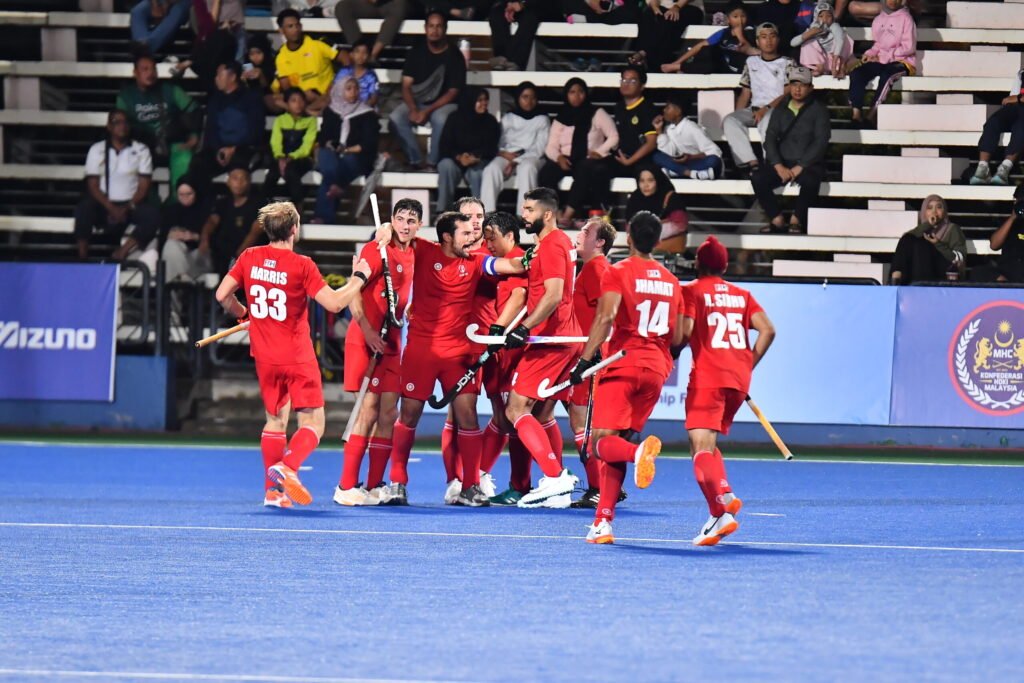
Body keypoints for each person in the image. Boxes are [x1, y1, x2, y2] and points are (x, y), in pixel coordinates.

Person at [214, 201, 372, 508]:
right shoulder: (302, 265)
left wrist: (243, 312)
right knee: (314, 422)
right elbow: (335, 304)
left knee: (275, 419)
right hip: (297, 356)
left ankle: (273, 493)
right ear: (294, 230)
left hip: (264, 356)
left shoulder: (249, 257)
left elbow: (222, 295)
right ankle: (288, 467)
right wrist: (359, 278)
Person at [573, 211, 686, 544]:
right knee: (618, 443)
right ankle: (603, 522)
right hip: (657, 370)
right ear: (659, 240)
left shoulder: (618, 271)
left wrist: (584, 360)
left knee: (600, 444)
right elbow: (679, 336)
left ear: (628, 236)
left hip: (623, 365)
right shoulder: (671, 280)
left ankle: (639, 456)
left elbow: (605, 317)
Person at [377, 212, 496, 506]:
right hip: (420, 352)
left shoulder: (478, 260)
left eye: (473, 232)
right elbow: (397, 233)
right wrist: (383, 228)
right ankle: (397, 482)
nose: (473, 237)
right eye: (466, 233)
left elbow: (509, 265)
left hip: (459, 354)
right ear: (446, 237)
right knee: (409, 417)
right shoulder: (426, 250)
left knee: (468, 418)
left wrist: (532, 260)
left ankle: (470, 486)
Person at [680, 235, 775, 546]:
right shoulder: (741, 294)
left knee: (700, 449)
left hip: (708, 376)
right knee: (705, 446)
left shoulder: (692, 290)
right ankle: (720, 510)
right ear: (725, 265)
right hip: (738, 378)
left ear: (697, 263)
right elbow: (767, 329)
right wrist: (748, 364)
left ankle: (723, 495)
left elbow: (685, 332)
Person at [491, 187, 583, 508]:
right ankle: (556, 489)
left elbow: (554, 294)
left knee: (516, 408)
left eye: (529, 210)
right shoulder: (553, 244)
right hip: (562, 337)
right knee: (543, 412)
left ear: (547, 214)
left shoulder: (553, 245)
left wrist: (525, 328)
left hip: (551, 339)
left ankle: (556, 477)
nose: (524, 215)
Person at [336, 198, 422, 506]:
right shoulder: (376, 250)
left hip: (393, 340)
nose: (405, 225)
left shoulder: (416, 251)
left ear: (418, 226)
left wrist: (409, 308)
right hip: (368, 338)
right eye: (399, 219)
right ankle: (346, 486)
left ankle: (373, 486)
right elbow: (353, 291)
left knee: (389, 413)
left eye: (411, 220)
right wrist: (369, 331)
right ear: (392, 220)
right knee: (368, 410)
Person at [478, 212, 531, 505]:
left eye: (492, 236)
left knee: (515, 417)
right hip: (497, 350)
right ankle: (479, 475)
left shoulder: (520, 261)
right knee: (503, 416)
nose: (488, 242)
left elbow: (520, 296)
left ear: (510, 236)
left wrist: (498, 329)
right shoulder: (493, 261)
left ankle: (527, 483)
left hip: (509, 349)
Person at [567, 218, 616, 508]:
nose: (579, 234)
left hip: (592, 358)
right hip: (588, 355)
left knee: (581, 418)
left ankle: (599, 487)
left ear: (599, 243)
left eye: (586, 232)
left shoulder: (597, 268)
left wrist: (594, 353)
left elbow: (607, 313)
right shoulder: (590, 269)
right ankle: (605, 485)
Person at [74, 110, 160, 263]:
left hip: (131, 204)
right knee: (83, 208)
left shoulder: (141, 149)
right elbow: (92, 185)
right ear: (109, 126)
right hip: (104, 204)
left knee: (153, 215)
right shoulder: (97, 149)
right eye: (117, 122)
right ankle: (82, 258)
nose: (122, 126)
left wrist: (127, 207)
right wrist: (111, 207)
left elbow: (143, 186)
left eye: (125, 122)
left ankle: (122, 252)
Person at [752, 65, 829, 234]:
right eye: (794, 84)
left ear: (810, 88)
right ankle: (776, 219)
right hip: (783, 160)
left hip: (807, 163)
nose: (798, 89)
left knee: (811, 181)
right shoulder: (780, 109)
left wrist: (800, 167)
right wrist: (779, 166)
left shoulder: (819, 110)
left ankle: (797, 220)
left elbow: (821, 141)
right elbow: (770, 137)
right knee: (758, 178)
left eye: (802, 85)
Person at [388, 11, 466, 170]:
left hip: (444, 104)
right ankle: (415, 160)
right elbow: (406, 85)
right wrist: (413, 109)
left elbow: (452, 92)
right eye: (431, 26)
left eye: (438, 26)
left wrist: (427, 111)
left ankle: (432, 163)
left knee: (441, 119)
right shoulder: (416, 51)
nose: (434, 30)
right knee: (396, 117)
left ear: (445, 29)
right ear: (425, 28)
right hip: (417, 101)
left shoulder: (455, 55)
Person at [538, 78, 619, 226]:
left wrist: (600, 152)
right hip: (567, 158)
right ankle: (557, 213)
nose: (577, 96)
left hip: (589, 157)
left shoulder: (597, 113)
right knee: (546, 172)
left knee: (585, 168)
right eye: (572, 92)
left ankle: (568, 215)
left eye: (581, 92)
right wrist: (559, 157)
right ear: (566, 95)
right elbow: (551, 146)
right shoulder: (561, 117)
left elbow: (614, 136)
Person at [117, 52, 201, 191]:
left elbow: (195, 110)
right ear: (135, 73)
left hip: (171, 142)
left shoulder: (170, 90)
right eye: (145, 69)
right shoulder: (126, 95)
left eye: (153, 69)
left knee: (184, 156)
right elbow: (119, 123)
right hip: (142, 144)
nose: (150, 73)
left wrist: (194, 135)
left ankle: (177, 202)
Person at [722, 22, 793, 175]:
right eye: (763, 37)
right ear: (757, 41)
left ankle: (771, 164)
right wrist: (739, 115)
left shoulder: (788, 63)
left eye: (772, 36)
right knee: (730, 120)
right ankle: (751, 163)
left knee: (768, 121)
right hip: (754, 109)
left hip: (777, 109)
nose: (768, 41)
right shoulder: (751, 62)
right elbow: (745, 92)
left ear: (778, 40)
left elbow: (788, 91)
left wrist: (766, 109)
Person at [189, 61, 265, 195]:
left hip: (245, 149)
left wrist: (234, 148)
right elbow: (210, 131)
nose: (216, 78)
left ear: (232, 77)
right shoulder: (215, 100)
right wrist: (218, 149)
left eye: (219, 75)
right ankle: (208, 208)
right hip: (220, 150)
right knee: (198, 165)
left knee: (238, 169)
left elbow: (256, 131)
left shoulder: (251, 98)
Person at [314, 77, 379, 223]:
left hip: (357, 154)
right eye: (348, 88)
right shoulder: (330, 111)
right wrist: (334, 146)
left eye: (356, 88)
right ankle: (336, 187)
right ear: (340, 90)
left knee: (336, 169)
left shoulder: (368, 114)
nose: (353, 92)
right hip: (333, 152)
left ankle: (323, 216)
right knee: (328, 158)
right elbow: (324, 137)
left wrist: (347, 149)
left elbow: (369, 144)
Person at [480, 82, 550, 214]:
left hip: (532, 157)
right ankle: (487, 212)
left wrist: (517, 161)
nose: (529, 101)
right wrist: (504, 154)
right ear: (518, 98)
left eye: (532, 97)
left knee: (527, 168)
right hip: (508, 154)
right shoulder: (509, 118)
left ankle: (524, 214)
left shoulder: (542, 119)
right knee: (491, 169)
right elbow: (500, 141)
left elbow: (539, 149)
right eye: (525, 97)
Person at [847, 0, 916, 126]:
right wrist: (869, 54)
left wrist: (886, 56)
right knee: (858, 73)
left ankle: (871, 115)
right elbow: (878, 44)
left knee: (887, 75)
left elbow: (909, 47)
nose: (893, 1)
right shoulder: (878, 19)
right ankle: (856, 115)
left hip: (902, 61)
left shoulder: (906, 18)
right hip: (881, 60)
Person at [436, 89, 501, 214]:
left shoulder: (490, 121)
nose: (484, 103)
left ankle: (478, 214)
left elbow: (492, 147)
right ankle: (443, 211)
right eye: (480, 100)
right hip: (456, 160)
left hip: (478, 160)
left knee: (478, 173)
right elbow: (445, 145)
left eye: (485, 100)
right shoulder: (454, 118)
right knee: (445, 165)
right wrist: (459, 157)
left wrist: (475, 156)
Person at [274, 8, 349, 115]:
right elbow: (287, 89)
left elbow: (346, 59)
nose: (295, 29)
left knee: (331, 96)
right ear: (281, 31)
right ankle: (307, 111)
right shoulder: (280, 56)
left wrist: (334, 84)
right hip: (301, 100)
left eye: (297, 25)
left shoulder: (318, 41)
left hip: (326, 95)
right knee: (272, 99)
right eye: (290, 26)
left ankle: (305, 112)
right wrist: (300, 97)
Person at [199, 167, 266, 276]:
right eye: (235, 178)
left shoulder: (259, 204)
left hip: (249, 256)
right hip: (223, 256)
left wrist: (238, 257)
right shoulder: (222, 203)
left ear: (249, 182)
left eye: (243, 179)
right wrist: (204, 238)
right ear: (228, 181)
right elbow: (212, 221)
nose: (239, 183)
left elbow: (255, 233)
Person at [661, 1, 755, 75]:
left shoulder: (750, 32)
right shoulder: (723, 33)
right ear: (728, 19)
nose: (740, 20)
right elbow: (700, 46)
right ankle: (679, 66)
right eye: (735, 16)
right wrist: (678, 61)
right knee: (707, 51)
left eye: (743, 16)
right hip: (722, 67)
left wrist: (740, 36)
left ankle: (680, 67)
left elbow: (749, 50)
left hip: (741, 68)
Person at [890, 195, 966, 285]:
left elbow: (959, 258)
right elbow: (908, 238)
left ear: (944, 211)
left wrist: (938, 244)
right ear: (924, 212)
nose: (934, 212)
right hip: (918, 271)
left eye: (939, 207)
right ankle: (897, 276)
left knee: (921, 246)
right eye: (929, 208)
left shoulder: (953, 229)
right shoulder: (920, 231)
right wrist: (927, 225)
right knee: (907, 239)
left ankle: (900, 281)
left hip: (943, 272)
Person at [265, 88, 318, 210]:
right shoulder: (280, 120)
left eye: (301, 100)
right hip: (281, 157)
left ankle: (298, 207)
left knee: (291, 171)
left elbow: (307, 146)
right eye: (293, 101)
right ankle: (264, 207)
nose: (298, 104)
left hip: (302, 158)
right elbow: (276, 141)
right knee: (272, 173)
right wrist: (280, 157)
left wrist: (291, 157)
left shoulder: (310, 121)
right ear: (287, 104)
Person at [970, 68, 1024, 186]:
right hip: (1016, 108)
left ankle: (1004, 169)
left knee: (1021, 128)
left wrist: (1019, 98)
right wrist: (1017, 99)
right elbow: (1010, 99)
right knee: (993, 122)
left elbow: (1017, 98)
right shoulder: (1021, 73)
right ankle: (983, 168)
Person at [652, 94, 723, 180]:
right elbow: (668, 153)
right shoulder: (669, 129)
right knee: (657, 156)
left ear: (678, 111)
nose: (664, 110)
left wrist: (690, 157)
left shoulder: (691, 128)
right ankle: (688, 173)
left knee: (714, 160)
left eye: (668, 107)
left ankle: (675, 172)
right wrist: (659, 131)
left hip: (697, 163)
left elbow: (715, 151)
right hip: (685, 166)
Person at [161, 175, 214, 282]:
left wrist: (194, 237)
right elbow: (161, 239)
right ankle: (182, 282)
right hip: (176, 257)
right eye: (181, 194)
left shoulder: (206, 211)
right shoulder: (170, 211)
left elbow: (215, 241)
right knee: (171, 245)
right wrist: (170, 235)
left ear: (195, 192)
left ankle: (182, 284)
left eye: (189, 194)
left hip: (199, 257)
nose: (185, 197)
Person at [631, 0, 705, 73]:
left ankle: (646, 57)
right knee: (649, 15)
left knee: (669, 20)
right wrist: (655, 7)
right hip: (664, 8)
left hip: (689, 8)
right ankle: (643, 53)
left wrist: (676, 7)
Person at [611, 66, 659, 176]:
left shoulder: (648, 109)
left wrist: (629, 161)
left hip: (641, 161)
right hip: (621, 158)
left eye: (632, 81)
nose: (626, 84)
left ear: (642, 86)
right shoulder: (619, 107)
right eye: (624, 80)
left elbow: (651, 143)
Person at [625, 168, 689, 247]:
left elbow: (680, 225)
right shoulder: (635, 197)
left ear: (658, 180)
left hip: (665, 247)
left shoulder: (670, 197)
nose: (646, 185)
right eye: (642, 181)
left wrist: (648, 234)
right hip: (641, 249)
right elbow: (629, 226)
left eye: (650, 180)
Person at [488, 2, 562, 70]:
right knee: (497, 12)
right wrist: (510, 4)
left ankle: (514, 62)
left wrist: (522, 4)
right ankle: (501, 58)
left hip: (540, 8)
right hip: (516, 7)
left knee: (529, 17)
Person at [335, 0, 410, 65]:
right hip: (369, 5)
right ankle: (360, 51)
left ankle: (373, 54)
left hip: (391, 4)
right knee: (342, 6)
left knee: (400, 3)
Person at [791, 2, 854, 77]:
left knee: (844, 38)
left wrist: (834, 62)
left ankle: (841, 67)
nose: (825, 19)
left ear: (833, 17)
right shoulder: (813, 28)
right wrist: (809, 34)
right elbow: (792, 43)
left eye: (828, 16)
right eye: (821, 16)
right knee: (808, 42)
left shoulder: (834, 26)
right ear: (816, 18)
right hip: (823, 62)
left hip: (836, 60)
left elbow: (840, 40)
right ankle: (819, 68)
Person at [328, 38, 379, 108]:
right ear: (351, 54)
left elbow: (373, 99)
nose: (360, 55)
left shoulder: (371, 76)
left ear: (369, 56)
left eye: (364, 53)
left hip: (363, 108)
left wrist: (358, 108)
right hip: (342, 107)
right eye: (357, 52)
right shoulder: (344, 71)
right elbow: (332, 90)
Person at [991, 186, 1024, 283]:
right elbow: (994, 245)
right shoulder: (1009, 224)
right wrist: (1013, 217)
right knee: (979, 271)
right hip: (1007, 273)